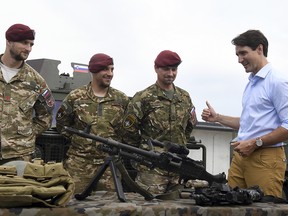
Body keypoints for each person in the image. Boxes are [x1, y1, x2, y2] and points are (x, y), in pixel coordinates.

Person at [201, 29, 288, 200]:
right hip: (241, 157)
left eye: (243, 53)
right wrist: (217, 118)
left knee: (263, 209)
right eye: (237, 55)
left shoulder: (277, 81)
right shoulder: (252, 84)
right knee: (230, 205)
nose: (240, 60)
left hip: (265, 158)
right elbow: (250, 123)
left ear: (260, 49)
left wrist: (256, 143)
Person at [121, 50, 197, 195]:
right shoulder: (143, 97)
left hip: (178, 168)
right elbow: (128, 131)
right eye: (166, 69)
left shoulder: (184, 97)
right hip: (151, 170)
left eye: (174, 69)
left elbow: (188, 126)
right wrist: (144, 152)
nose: (170, 73)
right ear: (156, 68)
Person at [56, 53, 129, 194]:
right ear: (94, 70)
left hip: (109, 167)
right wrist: (81, 142)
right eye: (105, 69)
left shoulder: (121, 99)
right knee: (73, 207)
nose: (110, 74)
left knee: (109, 208)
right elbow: (62, 125)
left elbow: (127, 130)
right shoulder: (75, 97)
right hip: (79, 166)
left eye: (112, 69)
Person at [0, 24, 54, 165]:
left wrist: (27, 135)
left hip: (18, 156)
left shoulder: (36, 81)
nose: (28, 49)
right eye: (24, 43)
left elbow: (46, 116)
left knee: (17, 188)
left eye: (31, 44)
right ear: (9, 41)